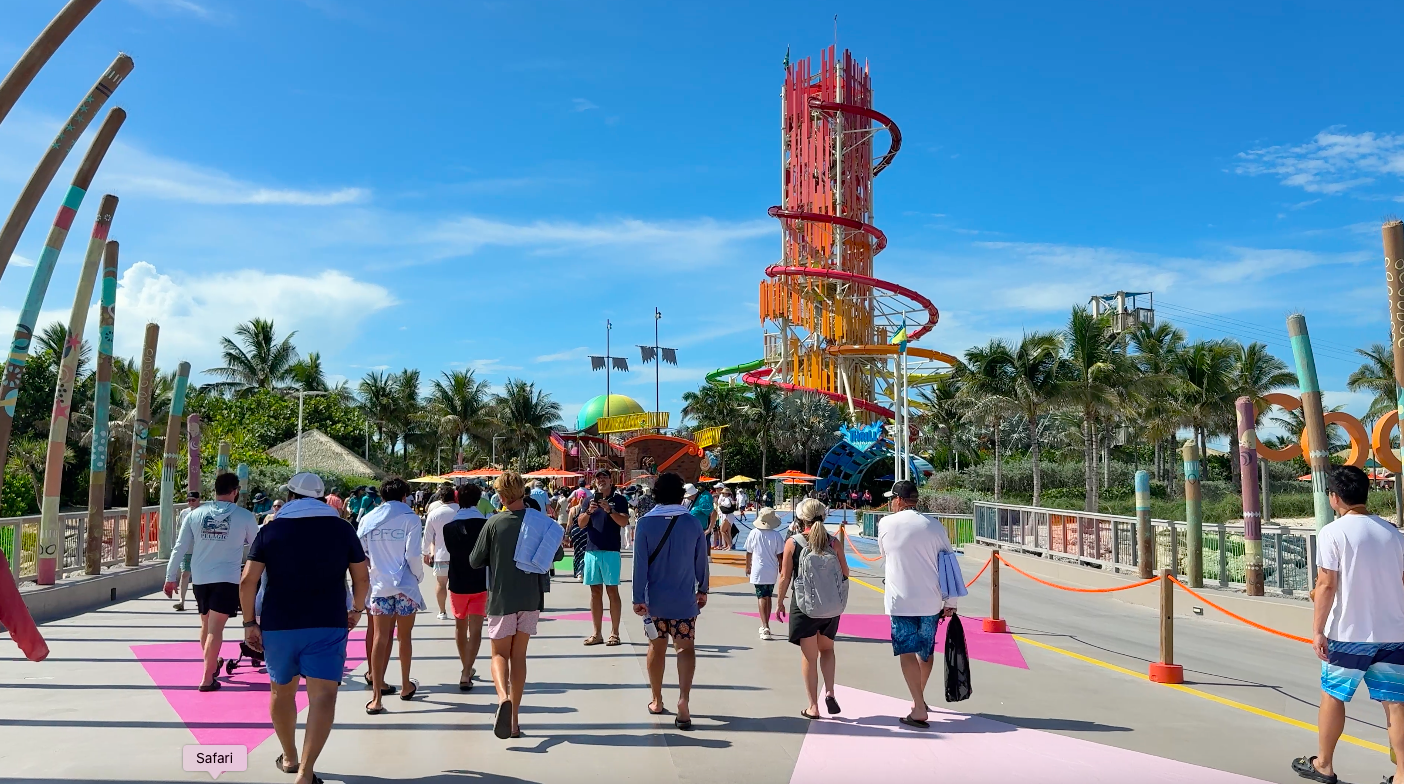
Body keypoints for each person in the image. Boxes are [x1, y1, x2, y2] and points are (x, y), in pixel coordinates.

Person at [239, 472, 368, 784]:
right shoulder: (342, 528)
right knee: (323, 696)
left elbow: (247, 581)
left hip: (279, 623)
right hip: (328, 621)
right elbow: (362, 578)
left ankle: (289, 756)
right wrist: (357, 610)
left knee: (281, 692)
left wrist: (248, 624)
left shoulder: (272, 529)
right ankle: (306, 772)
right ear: (322, 497)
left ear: (291, 496)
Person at [1293, 465, 1404, 784]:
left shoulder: (1333, 532)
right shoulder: (1393, 533)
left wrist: (1317, 630)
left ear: (1334, 497)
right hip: (1393, 633)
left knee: (1333, 696)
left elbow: (1326, 585)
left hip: (1349, 634)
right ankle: (1401, 775)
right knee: (1395, 703)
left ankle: (1323, 764)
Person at [469, 471, 550, 740]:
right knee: (519, 657)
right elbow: (556, 553)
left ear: (501, 496)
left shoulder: (494, 523)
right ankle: (514, 720)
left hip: (501, 598)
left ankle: (502, 697)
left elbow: (475, 560)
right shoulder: (539, 521)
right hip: (530, 598)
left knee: (499, 655)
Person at [632, 472, 709, 731]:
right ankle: (684, 700)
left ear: (656, 495)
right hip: (684, 599)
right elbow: (701, 560)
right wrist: (703, 589)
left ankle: (656, 699)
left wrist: (637, 598)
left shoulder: (644, 523)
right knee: (685, 648)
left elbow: (639, 565)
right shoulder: (693, 523)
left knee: (657, 647)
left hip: (654, 601)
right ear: (681, 495)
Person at [879, 480, 958, 729]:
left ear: (899, 500)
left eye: (892, 498)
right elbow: (949, 563)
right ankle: (919, 700)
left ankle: (919, 705)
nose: (891, 503)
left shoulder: (886, 523)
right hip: (931, 600)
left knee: (906, 651)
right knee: (925, 652)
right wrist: (951, 601)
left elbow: (885, 552)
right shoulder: (934, 526)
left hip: (900, 600)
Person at [164, 475, 256, 690]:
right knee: (215, 628)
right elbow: (257, 548)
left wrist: (170, 577)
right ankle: (207, 677)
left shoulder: (195, 514)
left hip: (201, 578)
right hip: (227, 578)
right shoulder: (245, 516)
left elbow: (179, 547)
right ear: (235, 491)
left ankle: (212, 663)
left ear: (214, 490)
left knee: (205, 623)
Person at [357, 477, 426, 714]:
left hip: (379, 587)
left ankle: (376, 697)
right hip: (405, 585)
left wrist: (375, 568)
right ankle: (406, 685)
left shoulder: (368, 519)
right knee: (404, 638)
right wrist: (417, 577)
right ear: (405, 496)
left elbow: (360, 553)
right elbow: (414, 555)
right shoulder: (410, 519)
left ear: (382, 496)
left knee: (380, 638)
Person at [776, 499, 848, 719]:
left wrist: (779, 602)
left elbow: (784, 576)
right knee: (827, 650)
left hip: (805, 606)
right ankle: (830, 692)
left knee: (809, 656)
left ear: (801, 518)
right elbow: (845, 572)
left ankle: (812, 706)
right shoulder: (834, 542)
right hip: (830, 607)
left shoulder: (794, 542)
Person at [443, 483, 489, 691]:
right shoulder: (486, 525)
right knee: (476, 629)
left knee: (460, 626)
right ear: (478, 500)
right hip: (480, 580)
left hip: (458, 581)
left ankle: (465, 667)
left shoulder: (449, 527)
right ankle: (466, 671)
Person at [576, 470, 629, 646]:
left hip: (611, 551)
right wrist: (589, 512)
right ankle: (597, 633)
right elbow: (581, 523)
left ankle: (615, 633)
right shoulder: (588, 500)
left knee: (612, 591)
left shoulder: (619, 500)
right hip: (591, 551)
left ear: (610, 480)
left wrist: (609, 509)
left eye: (604, 477)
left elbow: (624, 522)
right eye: (598, 478)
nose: (601, 480)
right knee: (595, 592)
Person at [744, 508, 787, 641]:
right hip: (771, 570)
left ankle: (765, 625)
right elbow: (780, 555)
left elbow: (749, 552)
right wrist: (782, 568)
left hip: (759, 569)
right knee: (768, 596)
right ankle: (766, 623)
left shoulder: (753, 533)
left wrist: (747, 566)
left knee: (761, 596)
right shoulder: (776, 535)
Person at [422, 486, 459, 620]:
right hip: (460, 556)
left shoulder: (434, 514)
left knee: (441, 584)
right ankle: (459, 612)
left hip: (441, 555)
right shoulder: (461, 511)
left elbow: (427, 536)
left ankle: (442, 611)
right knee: (459, 586)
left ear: (441, 498)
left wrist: (425, 553)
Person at [171, 491, 203, 611]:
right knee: (185, 574)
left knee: (199, 576)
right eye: (188, 500)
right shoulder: (184, 513)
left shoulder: (204, 513)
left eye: (193, 500)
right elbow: (180, 530)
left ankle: (200, 600)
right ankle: (181, 601)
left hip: (201, 549)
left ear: (199, 500)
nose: (190, 503)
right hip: (187, 549)